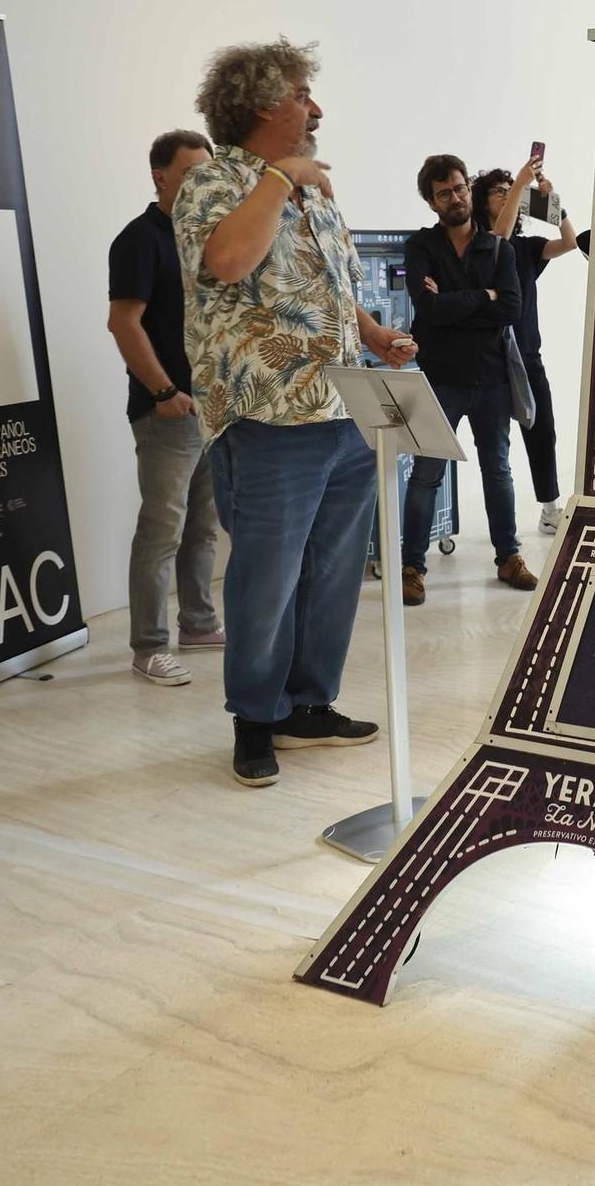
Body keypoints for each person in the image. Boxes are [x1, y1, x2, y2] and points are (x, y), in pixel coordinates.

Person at [174, 38, 417, 787]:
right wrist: (280, 179)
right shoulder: (212, 184)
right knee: (267, 577)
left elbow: (336, 289)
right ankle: (256, 715)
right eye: (302, 95)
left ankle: (307, 703)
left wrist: (377, 336)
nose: (317, 109)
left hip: (343, 408)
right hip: (268, 420)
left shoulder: (315, 190)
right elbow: (228, 263)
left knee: (337, 569)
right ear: (259, 106)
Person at [106, 129, 222, 688]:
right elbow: (123, 323)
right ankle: (148, 647)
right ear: (162, 176)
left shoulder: (207, 238)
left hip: (211, 410)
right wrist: (162, 393)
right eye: (193, 172)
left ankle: (198, 624)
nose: (204, 182)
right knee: (161, 532)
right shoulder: (139, 239)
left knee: (204, 528)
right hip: (166, 414)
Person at [401, 154, 533, 605]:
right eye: (444, 193)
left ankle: (508, 557)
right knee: (426, 474)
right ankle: (412, 566)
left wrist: (456, 302)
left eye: (459, 188)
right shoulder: (421, 247)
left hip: (492, 379)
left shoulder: (499, 248)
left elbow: (511, 308)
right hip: (439, 380)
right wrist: (484, 296)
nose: (455, 198)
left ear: (467, 190)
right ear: (431, 202)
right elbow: (428, 309)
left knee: (498, 471)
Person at [481, 158, 581, 535]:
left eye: (510, 191)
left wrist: (551, 202)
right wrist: (522, 183)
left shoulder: (526, 248)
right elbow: (498, 240)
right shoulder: (481, 246)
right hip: (489, 359)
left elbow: (570, 242)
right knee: (495, 444)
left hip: (527, 356)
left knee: (542, 430)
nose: (508, 195)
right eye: (499, 192)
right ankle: (502, 527)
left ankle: (549, 507)